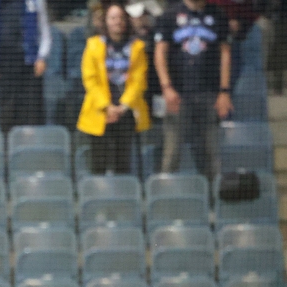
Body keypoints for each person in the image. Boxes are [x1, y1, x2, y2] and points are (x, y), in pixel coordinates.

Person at [155, 0, 233, 178]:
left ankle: (212, 202)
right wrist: (167, 87)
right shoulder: (169, 15)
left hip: (209, 94)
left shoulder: (218, 15)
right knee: (172, 153)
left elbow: (225, 53)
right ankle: (165, 201)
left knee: (210, 153)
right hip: (178, 94)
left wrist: (224, 91)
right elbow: (160, 52)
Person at [77, 2, 152, 175]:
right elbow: (90, 79)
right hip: (99, 110)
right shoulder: (93, 45)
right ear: (106, 21)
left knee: (123, 163)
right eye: (112, 18)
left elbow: (139, 81)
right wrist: (107, 106)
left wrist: (122, 107)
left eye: (120, 17)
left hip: (126, 112)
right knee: (98, 163)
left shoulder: (137, 47)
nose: (117, 21)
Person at [0, 0, 52, 134]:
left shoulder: (36, 2)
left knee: (32, 113)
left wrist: (42, 56)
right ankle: (9, 148)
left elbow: (44, 29)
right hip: (4, 64)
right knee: (8, 112)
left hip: (31, 65)